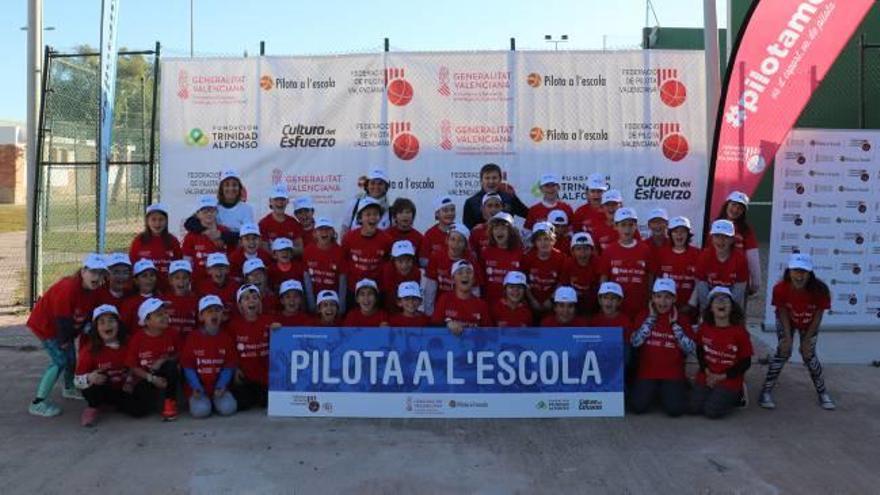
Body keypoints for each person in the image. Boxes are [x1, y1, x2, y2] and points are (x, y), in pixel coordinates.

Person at [759, 253, 835, 410]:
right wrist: (787, 337)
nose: (799, 276)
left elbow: (818, 315)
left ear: (810, 273)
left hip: (809, 323)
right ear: (789, 271)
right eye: (796, 271)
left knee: (809, 355)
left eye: (803, 272)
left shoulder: (820, 290)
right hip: (786, 319)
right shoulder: (780, 289)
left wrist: (806, 340)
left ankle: (822, 392)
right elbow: (782, 311)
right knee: (783, 351)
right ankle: (765, 391)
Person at [628, 278, 695, 417]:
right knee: (637, 407)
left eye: (667, 297)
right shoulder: (643, 315)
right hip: (647, 372)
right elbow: (635, 342)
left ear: (674, 298)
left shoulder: (682, 319)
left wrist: (675, 326)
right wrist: (651, 319)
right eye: (658, 296)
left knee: (675, 410)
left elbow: (691, 349)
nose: (662, 302)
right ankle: (656, 391)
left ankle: (676, 388)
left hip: (672, 373)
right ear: (652, 297)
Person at [75, 305, 148, 426]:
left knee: (139, 411)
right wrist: (89, 377)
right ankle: (93, 407)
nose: (107, 325)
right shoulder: (89, 350)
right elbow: (77, 381)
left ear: (119, 324)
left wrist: (131, 381)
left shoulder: (130, 343)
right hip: (102, 387)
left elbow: (140, 365)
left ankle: (113, 404)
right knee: (94, 381)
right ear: (95, 328)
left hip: (125, 387)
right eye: (101, 322)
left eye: (111, 321)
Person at [689, 287, 753, 419]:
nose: (721, 303)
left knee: (711, 411)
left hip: (729, 378)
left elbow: (746, 362)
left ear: (732, 307)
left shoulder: (740, 332)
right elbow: (700, 351)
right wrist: (707, 372)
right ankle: (714, 392)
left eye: (726, 300)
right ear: (711, 308)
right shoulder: (704, 328)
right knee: (693, 407)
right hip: (707, 375)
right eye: (716, 300)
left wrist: (721, 377)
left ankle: (739, 394)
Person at [181, 295, 238, 418]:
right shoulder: (193, 337)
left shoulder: (226, 338)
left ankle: (214, 401)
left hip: (218, 388)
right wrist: (195, 387)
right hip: (198, 389)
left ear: (222, 315)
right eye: (209, 311)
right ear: (201, 316)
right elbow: (188, 366)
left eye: (217, 310)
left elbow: (228, 366)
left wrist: (222, 385)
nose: (214, 314)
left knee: (229, 409)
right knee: (201, 412)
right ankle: (206, 402)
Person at [126, 297, 180, 421]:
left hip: (166, 372)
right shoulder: (137, 338)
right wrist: (152, 379)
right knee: (139, 411)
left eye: (166, 313)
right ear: (147, 320)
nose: (165, 316)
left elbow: (179, 354)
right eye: (159, 315)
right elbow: (132, 366)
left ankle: (169, 402)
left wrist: (163, 360)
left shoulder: (173, 333)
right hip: (146, 376)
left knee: (171, 366)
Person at [228, 285, 278, 410]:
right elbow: (230, 349)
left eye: (255, 298)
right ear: (239, 305)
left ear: (260, 302)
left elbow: (280, 343)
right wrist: (235, 368)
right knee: (243, 404)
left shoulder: (269, 321)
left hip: (265, 376)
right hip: (245, 376)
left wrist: (278, 329)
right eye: (246, 299)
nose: (251, 301)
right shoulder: (233, 325)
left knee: (266, 402)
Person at [599, 208, 654, 317]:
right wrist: (604, 303)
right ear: (616, 226)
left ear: (635, 227)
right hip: (616, 308)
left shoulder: (645, 249)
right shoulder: (609, 250)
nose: (627, 229)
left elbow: (650, 276)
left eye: (631, 225)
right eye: (623, 225)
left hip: (640, 306)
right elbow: (604, 277)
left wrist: (650, 299)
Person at [341, 197, 393, 304]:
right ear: (360, 218)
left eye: (375, 214)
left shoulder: (387, 239)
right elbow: (344, 261)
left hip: (377, 290)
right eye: (368, 214)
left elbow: (389, 262)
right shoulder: (349, 238)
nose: (372, 218)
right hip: (353, 290)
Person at [424, 223, 482, 315]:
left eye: (460, 241)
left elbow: (475, 290)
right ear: (447, 240)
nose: (455, 244)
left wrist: (473, 311)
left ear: (466, 245)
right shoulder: (436, 256)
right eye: (453, 239)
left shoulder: (471, 260)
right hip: (441, 306)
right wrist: (429, 313)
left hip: (463, 307)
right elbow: (430, 289)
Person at [691, 220, 748, 311]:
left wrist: (729, 311)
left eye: (725, 237)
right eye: (717, 236)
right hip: (708, 305)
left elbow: (739, 291)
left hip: (732, 307)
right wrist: (708, 310)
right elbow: (701, 286)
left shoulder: (740, 259)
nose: (721, 241)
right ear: (712, 238)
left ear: (732, 239)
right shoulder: (704, 256)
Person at [716, 191, 761, 297]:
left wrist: (756, 283)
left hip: (738, 280)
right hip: (715, 278)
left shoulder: (746, 230)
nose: (736, 210)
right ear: (727, 204)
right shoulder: (714, 225)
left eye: (740, 208)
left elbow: (753, 257)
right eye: (734, 205)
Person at [183, 169, 254, 235]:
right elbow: (189, 223)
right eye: (227, 185)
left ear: (240, 188)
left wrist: (221, 235)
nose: (231, 188)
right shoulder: (213, 205)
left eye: (234, 185)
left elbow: (247, 235)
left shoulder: (247, 209)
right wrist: (205, 231)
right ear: (221, 188)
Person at [431, 260, 493, 333]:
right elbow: (432, 327)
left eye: (469, 272)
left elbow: (489, 334)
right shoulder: (444, 299)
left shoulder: (481, 305)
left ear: (474, 279)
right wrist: (447, 324)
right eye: (460, 273)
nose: (465, 275)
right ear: (453, 279)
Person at [129, 203, 182, 288]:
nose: (157, 224)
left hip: (167, 287)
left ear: (166, 221)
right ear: (147, 221)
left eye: (161, 219)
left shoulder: (173, 241)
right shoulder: (139, 241)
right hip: (144, 288)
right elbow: (132, 264)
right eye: (153, 220)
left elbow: (178, 265)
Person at [655, 216, 700, 317]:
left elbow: (699, 283)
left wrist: (691, 304)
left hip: (689, 308)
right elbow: (658, 280)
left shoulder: (697, 254)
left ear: (688, 234)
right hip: (665, 307)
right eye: (675, 231)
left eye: (683, 231)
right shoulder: (662, 253)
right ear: (670, 234)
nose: (679, 235)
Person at [462, 163, 529, 229]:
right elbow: (467, 230)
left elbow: (529, 215)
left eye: (494, 178)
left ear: (500, 180)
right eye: (487, 178)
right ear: (481, 181)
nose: (491, 181)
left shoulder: (510, 198)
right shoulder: (470, 202)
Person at [303, 217, 347, 313]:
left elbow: (342, 281)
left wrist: (341, 307)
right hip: (314, 301)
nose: (324, 232)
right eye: (320, 229)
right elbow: (307, 280)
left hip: (333, 302)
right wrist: (311, 304)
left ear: (332, 232)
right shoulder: (308, 250)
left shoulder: (340, 252)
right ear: (315, 233)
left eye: (327, 229)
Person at [182, 196, 231, 280]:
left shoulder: (225, 231)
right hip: (198, 282)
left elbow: (231, 258)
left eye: (211, 210)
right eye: (204, 211)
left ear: (216, 212)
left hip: (221, 282)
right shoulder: (190, 236)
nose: (209, 214)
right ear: (197, 214)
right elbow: (187, 262)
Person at [479, 212, 523, 306]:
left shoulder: (520, 252)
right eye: (495, 228)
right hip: (489, 303)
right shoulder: (485, 252)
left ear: (511, 231)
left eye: (503, 228)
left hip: (512, 305)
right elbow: (481, 280)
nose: (499, 231)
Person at [523, 222, 566, 315]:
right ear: (534, 242)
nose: (543, 243)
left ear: (553, 241)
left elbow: (561, 281)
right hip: (531, 302)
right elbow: (524, 281)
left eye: (547, 239)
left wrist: (551, 299)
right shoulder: (528, 257)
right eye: (539, 240)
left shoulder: (561, 258)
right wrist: (532, 300)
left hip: (553, 303)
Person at [341, 167, 392, 236]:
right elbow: (345, 228)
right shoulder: (355, 203)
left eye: (380, 184)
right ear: (367, 186)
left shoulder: (390, 209)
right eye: (372, 183)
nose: (376, 187)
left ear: (386, 187)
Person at [258, 185, 304, 256]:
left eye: (282, 199)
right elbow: (264, 249)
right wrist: (279, 256)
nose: (280, 202)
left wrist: (286, 252)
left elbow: (300, 248)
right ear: (270, 201)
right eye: (276, 199)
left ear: (287, 201)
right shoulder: (263, 224)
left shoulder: (293, 223)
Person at [562, 232, 600, 315]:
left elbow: (600, 285)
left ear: (592, 250)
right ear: (572, 251)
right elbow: (564, 284)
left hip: (593, 301)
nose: (583, 252)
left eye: (586, 248)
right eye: (578, 249)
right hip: (573, 300)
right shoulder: (568, 263)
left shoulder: (597, 262)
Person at [119, 258, 161, 332]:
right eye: (144, 276)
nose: (149, 279)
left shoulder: (161, 300)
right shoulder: (129, 303)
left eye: (152, 275)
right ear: (136, 281)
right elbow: (124, 329)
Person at [381, 240, 422, 312]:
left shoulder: (416, 272)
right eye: (400, 261)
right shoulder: (387, 271)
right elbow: (388, 295)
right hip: (389, 308)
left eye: (408, 261)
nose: (404, 265)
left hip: (408, 307)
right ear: (393, 261)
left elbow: (414, 296)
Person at [164, 259, 199, 343]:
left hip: (190, 342)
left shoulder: (197, 300)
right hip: (169, 343)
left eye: (185, 277)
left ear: (190, 279)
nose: (181, 281)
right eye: (177, 277)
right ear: (170, 280)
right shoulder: (163, 300)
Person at [420, 195, 459, 266]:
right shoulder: (430, 234)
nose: (450, 213)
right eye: (445, 210)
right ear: (437, 214)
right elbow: (423, 260)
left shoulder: (461, 231)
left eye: (452, 210)